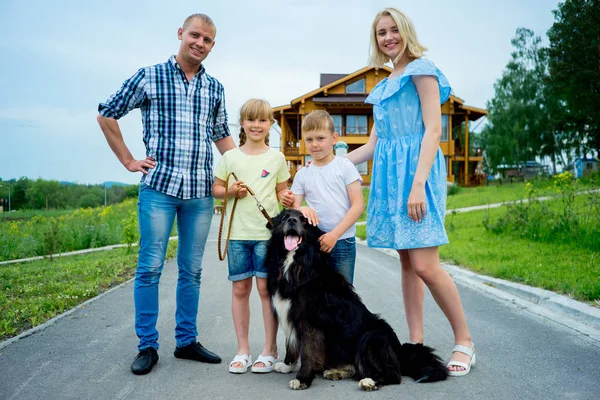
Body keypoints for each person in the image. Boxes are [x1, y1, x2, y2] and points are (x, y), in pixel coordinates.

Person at [97, 13, 236, 375]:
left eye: (207, 40)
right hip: (158, 190)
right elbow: (107, 114)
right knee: (150, 268)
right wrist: (128, 159)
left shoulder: (215, 88)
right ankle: (147, 346)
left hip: (200, 193)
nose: (199, 43)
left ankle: (186, 341)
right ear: (180, 33)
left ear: (212, 45)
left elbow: (223, 137)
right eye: (194, 35)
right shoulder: (149, 76)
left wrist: (248, 173)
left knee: (192, 270)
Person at [345, 7, 475, 376]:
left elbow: (433, 129)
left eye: (393, 30)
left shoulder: (422, 70)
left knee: (425, 265)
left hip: (417, 176)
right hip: (390, 180)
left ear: (405, 31)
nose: (388, 38)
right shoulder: (384, 86)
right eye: (381, 33)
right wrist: (328, 166)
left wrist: (417, 185)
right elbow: (374, 145)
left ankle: (464, 340)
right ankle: (415, 343)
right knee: (406, 262)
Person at [212, 99, 291, 374]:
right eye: (251, 120)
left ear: (270, 124)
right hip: (236, 235)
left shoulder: (277, 158)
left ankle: (270, 350)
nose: (256, 125)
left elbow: (282, 192)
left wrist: (287, 196)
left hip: (266, 236)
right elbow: (217, 189)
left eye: (262, 120)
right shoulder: (230, 157)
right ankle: (243, 349)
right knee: (239, 289)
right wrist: (231, 191)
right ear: (242, 123)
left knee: (266, 291)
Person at [288, 110, 364, 284]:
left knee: (343, 296)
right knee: (314, 294)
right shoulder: (302, 174)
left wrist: (334, 235)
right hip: (313, 242)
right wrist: (301, 208)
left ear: (334, 138)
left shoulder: (345, 166)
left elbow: (358, 205)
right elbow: (292, 211)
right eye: (309, 139)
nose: (315, 144)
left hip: (342, 241)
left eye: (320, 138)